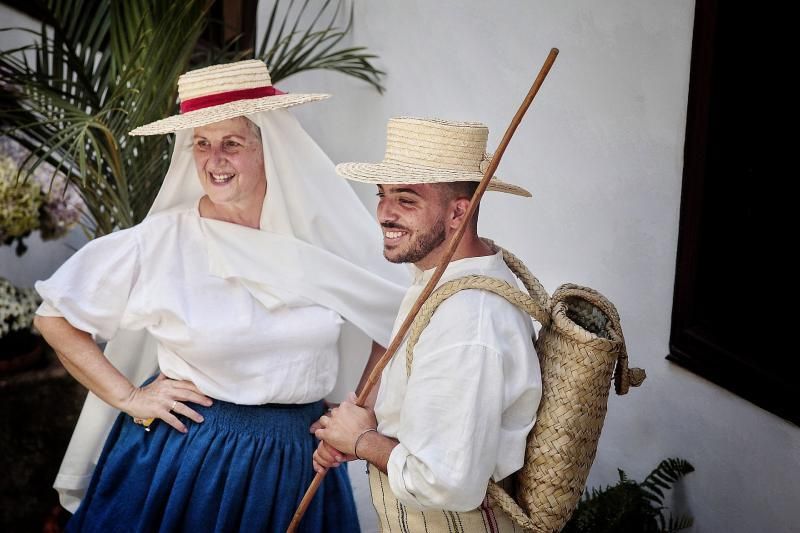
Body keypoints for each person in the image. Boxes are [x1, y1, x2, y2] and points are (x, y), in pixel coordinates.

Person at [34, 59, 406, 532]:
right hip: (191, 461)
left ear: (268, 146)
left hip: (300, 458)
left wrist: (359, 411)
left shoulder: (318, 242)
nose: (215, 159)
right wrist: (129, 396)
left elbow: (390, 316)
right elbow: (55, 316)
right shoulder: (160, 241)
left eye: (232, 143)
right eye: (202, 144)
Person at [312, 117, 543, 531]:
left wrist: (364, 441)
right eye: (382, 195)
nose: (384, 213)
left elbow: (447, 482)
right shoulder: (439, 280)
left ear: (458, 212)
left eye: (407, 199)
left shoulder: (470, 321)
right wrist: (362, 433)